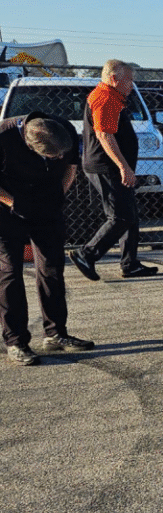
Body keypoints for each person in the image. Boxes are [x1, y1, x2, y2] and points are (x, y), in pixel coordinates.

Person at [0, 113, 95, 365]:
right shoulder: (3, 137)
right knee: (10, 272)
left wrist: (57, 196)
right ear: (30, 146)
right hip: (8, 208)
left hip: (46, 206)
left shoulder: (64, 130)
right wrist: (13, 203)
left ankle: (55, 334)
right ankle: (16, 341)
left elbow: (71, 167)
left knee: (52, 267)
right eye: (53, 157)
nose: (59, 158)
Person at [70, 60, 158, 281]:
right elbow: (104, 135)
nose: (132, 84)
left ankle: (130, 264)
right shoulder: (106, 98)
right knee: (120, 216)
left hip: (111, 166)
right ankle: (86, 254)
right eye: (129, 79)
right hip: (106, 166)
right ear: (114, 78)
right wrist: (123, 167)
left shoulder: (112, 97)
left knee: (130, 215)